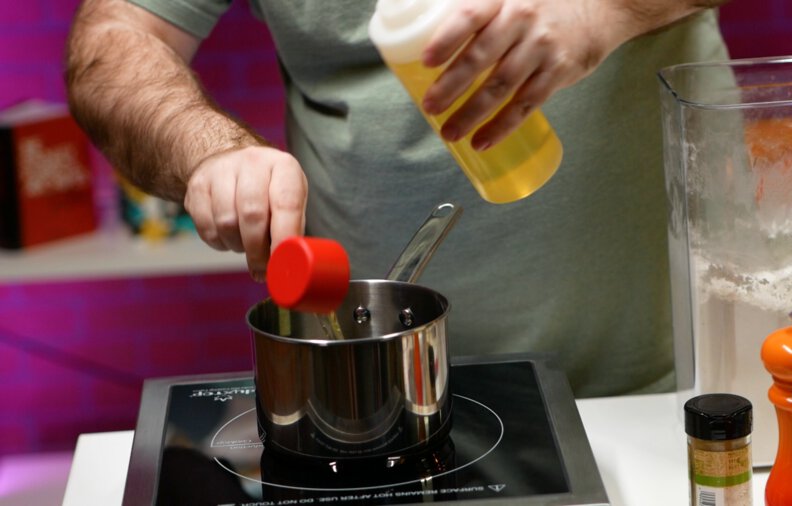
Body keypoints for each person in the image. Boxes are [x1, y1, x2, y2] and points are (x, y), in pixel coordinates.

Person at [65, 0, 731, 398]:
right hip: (382, 399)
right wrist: (210, 149)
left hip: (687, 370)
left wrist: (605, 10)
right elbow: (114, 38)